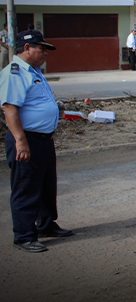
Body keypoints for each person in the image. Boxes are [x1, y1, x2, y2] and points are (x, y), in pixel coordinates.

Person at [0, 30, 73, 253]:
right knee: (26, 187)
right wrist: (20, 141)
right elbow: (9, 107)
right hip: (26, 140)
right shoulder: (14, 72)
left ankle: (45, 224)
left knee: (45, 185)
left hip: (43, 140)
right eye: (41, 49)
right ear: (26, 48)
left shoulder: (34, 72)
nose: (45, 54)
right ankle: (24, 235)